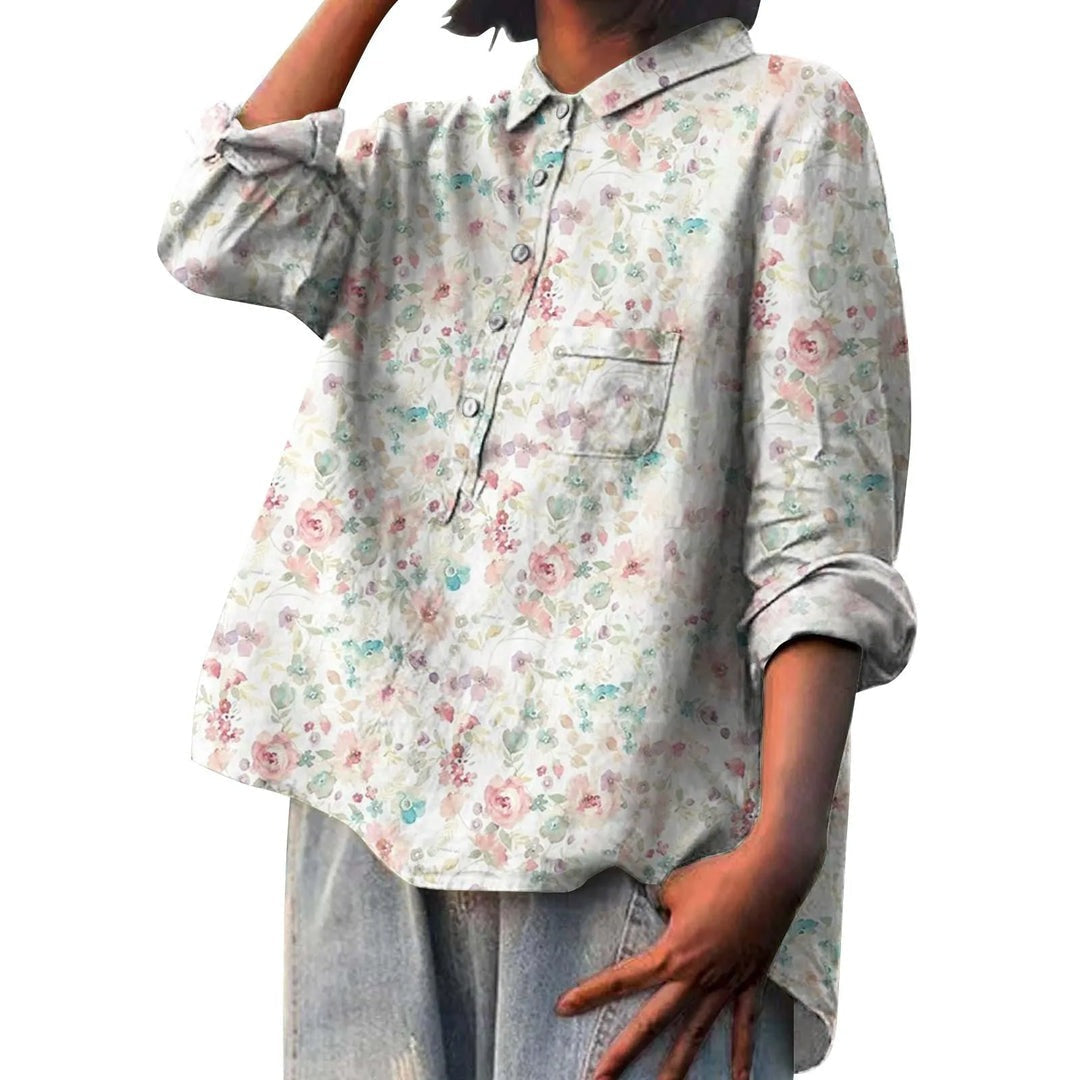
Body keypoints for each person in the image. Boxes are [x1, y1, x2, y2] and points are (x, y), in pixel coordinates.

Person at [156, 1, 916, 1077]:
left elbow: (821, 518)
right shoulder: (419, 153)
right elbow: (217, 231)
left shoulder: (783, 117)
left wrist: (783, 855)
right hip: (368, 817)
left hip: (646, 839)